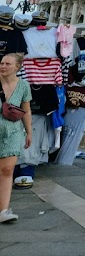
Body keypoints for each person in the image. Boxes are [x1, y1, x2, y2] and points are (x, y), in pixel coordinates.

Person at [0, 53, 32, 223]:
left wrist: (29, 132)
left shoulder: (24, 86)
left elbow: (26, 110)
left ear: (17, 67)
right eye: (1, 63)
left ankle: (3, 210)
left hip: (12, 131)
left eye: (7, 64)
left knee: (7, 170)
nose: (3, 66)